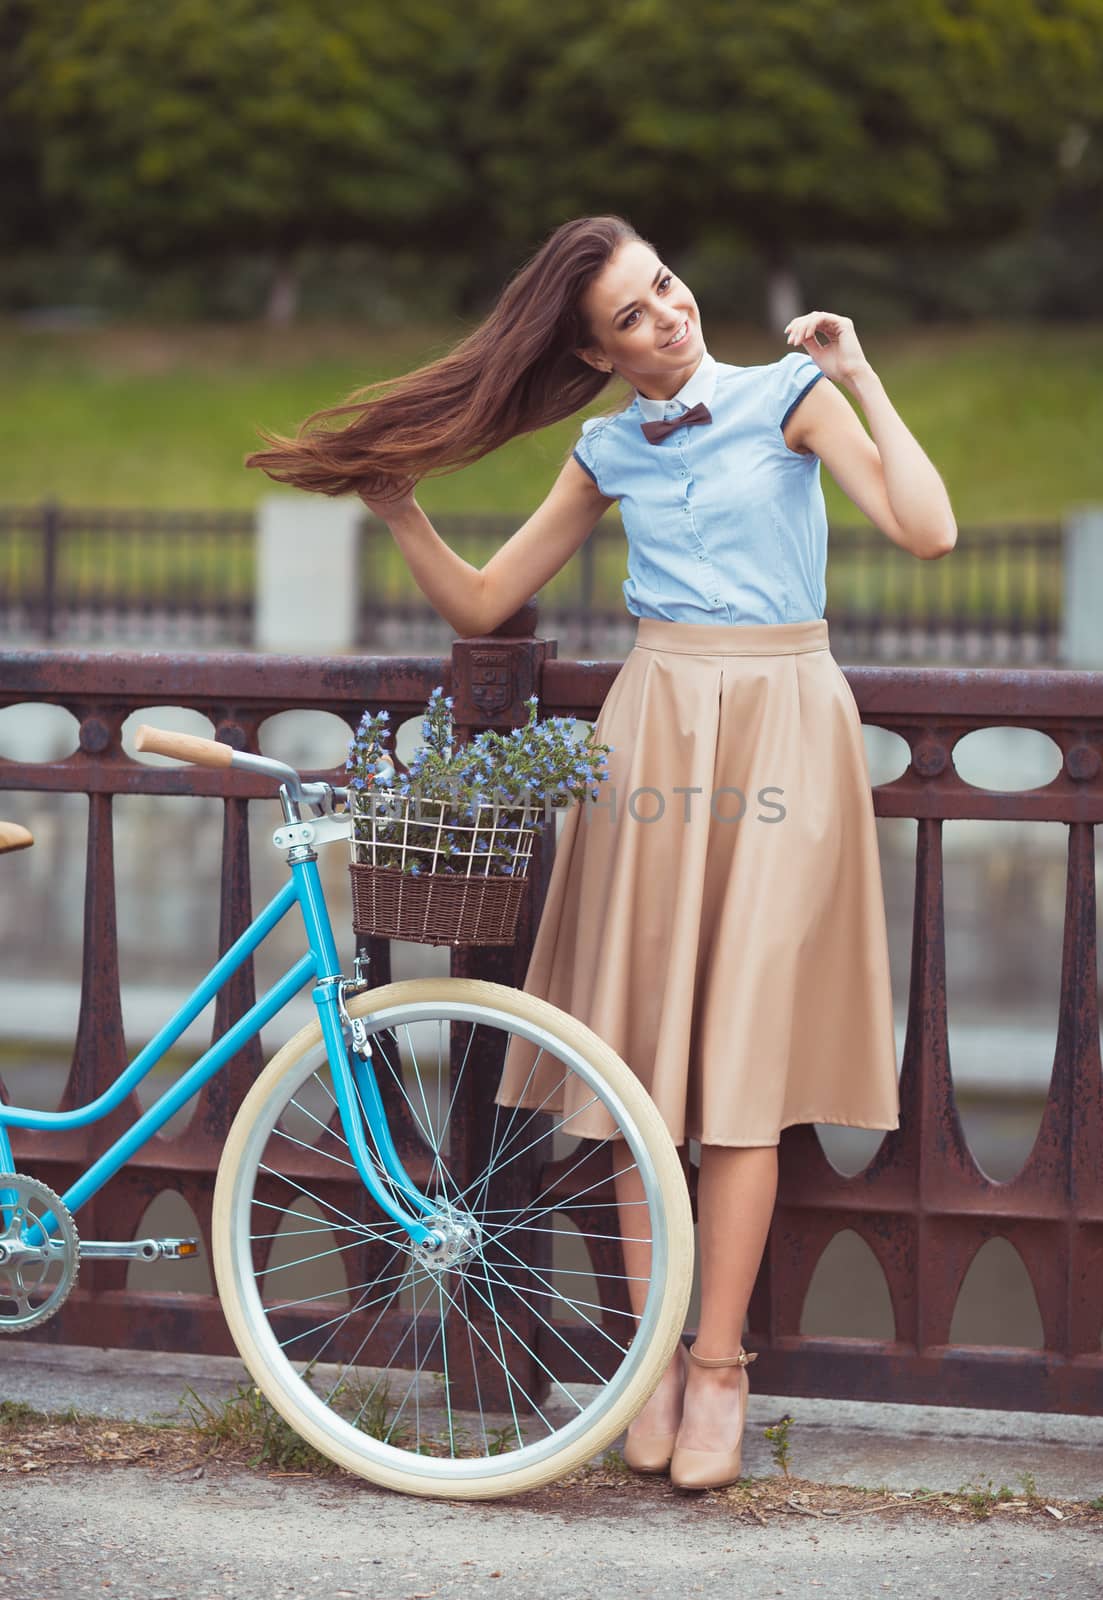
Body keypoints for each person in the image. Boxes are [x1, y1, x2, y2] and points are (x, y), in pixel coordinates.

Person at [245, 214, 957, 1490]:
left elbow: (926, 531)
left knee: (739, 1066)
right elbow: (481, 601)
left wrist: (857, 373)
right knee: (633, 1071)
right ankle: (649, 1363)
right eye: (631, 315)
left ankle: (722, 1364)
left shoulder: (788, 394)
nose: (668, 316)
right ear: (591, 351)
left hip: (786, 726)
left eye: (666, 288)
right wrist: (399, 509)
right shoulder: (605, 446)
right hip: (651, 736)